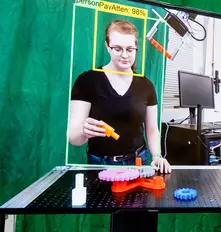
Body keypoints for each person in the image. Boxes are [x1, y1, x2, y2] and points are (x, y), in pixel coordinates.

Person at [68, 19, 171, 173]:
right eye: (117, 48)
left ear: (136, 48)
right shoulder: (87, 81)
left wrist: (157, 155)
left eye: (130, 49)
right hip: (100, 166)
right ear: (107, 47)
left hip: (138, 163)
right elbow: (73, 137)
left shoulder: (146, 85)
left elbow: (151, 129)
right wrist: (83, 131)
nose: (124, 55)